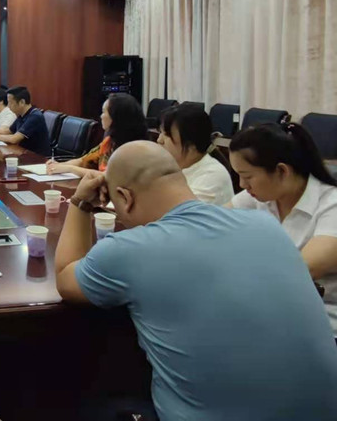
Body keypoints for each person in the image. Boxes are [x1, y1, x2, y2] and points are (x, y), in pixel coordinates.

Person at [55, 141, 337, 420]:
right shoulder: (265, 225)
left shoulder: (129, 250)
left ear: (124, 198)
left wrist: (81, 203)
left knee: (84, 397)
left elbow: (66, 275)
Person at [229, 122, 337, 335]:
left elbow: (300, 270)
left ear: (281, 171)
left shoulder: (331, 205)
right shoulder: (262, 195)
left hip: (323, 324)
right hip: (271, 312)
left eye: (248, 176)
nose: (242, 184)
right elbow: (209, 224)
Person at [47, 93, 147, 177]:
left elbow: (107, 177)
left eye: (104, 112)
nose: (101, 116)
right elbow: (83, 161)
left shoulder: (132, 150)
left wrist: (70, 169)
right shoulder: (109, 142)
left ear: (116, 117)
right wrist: (59, 166)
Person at [157, 104, 234, 205]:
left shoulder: (212, 176)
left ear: (191, 145)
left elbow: (177, 212)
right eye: (160, 132)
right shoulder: (169, 167)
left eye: (167, 135)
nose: (159, 140)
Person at [0, 86, 51, 157]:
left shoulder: (35, 116)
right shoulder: (21, 115)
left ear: (22, 102)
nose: (8, 106)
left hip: (38, 158)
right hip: (24, 153)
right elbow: (9, 131)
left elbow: (14, 139)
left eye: (10, 103)